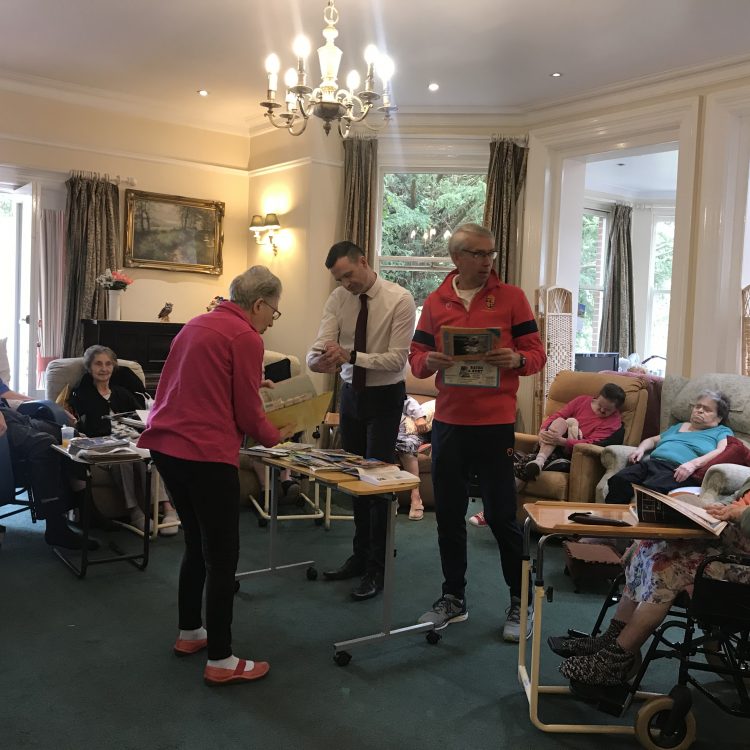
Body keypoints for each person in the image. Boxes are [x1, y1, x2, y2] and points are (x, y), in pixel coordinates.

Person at [138, 266, 295, 686]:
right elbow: (247, 412)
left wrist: (247, 385)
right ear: (259, 304)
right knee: (223, 556)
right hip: (205, 454)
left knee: (196, 542)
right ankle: (222, 659)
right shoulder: (246, 336)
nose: (270, 321)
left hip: (166, 446)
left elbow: (186, 383)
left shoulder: (196, 324)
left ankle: (191, 632)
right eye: (273, 313)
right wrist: (274, 435)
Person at [409, 222, 547, 642]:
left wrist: (517, 360)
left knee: (503, 517)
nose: (487, 262)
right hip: (450, 423)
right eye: (479, 254)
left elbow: (537, 353)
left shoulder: (512, 298)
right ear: (457, 258)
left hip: (495, 424)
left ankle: (519, 603)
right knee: (448, 515)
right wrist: (430, 361)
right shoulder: (436, 301)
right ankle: (453, 598)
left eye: (491, 254)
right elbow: (416, 358)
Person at [555, 477, 750, 686]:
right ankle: (614, 636)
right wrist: (720, 507)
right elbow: (737, 497)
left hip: (743, 560)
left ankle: (617, 657)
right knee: (651, 546)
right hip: (732, 542)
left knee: (668, 567)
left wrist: (740, 514)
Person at [307, 240, 417, 601]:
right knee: (353, 477)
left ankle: (378, 566)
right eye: (339, 279)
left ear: (364, 262)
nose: (346, 284)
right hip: (351, 395)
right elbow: (321, 344)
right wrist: (316, 361)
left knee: (377, 483)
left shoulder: (400, 299)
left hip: (386, 396)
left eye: (349, 275)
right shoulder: (338, 299)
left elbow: (397, 361)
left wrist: (350, 354)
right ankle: (359, 556)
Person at [469, 383, 626, 528]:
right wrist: (544, 430)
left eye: (607, 410)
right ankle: (538, 462)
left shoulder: (614, 423)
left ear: (616, 410)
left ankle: (491, 512)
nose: (601, 411)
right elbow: (557, 415)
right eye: (600, 406)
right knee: (560, 422)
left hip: (571, 456)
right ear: (596, 397)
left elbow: (591, 444)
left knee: (522, 460)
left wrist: (563, 441)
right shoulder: (581, 401)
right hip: (548, 444)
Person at [69, 345, 179, 536]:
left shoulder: (122, 392)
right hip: (108, 443)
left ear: (113, 367)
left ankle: (167, 508)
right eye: (98, 364)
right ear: (89, 367)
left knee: (153, 455)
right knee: (123, 460)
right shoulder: (82, 394)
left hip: (135, 437)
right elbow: (85, 426)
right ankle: (134, 511)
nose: (104, 369)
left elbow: (142, 417)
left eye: (108, 364)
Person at [0, 378, 96, 550]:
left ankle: (88, 510)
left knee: (71, 437)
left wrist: (52, 406)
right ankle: (56, 527)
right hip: (4, 423)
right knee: (44, 445)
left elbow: (5, 393)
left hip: (12, 416)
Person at [605, 390, 732, 503]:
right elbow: (653, 440)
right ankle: (611, 523)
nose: (699, 410)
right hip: (652, 463)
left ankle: (640, 527)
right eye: (697, 406)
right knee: (619, 480)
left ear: (719, 417)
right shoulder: (679, 426)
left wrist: (693, 464)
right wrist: (641, 449)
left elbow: (723, 450)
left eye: (707, 409)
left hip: (678, 471)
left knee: (651, 490)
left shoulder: (721, 431)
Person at [396, 395, 432, 521]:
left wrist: (419, 418)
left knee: (406, 447)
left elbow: (410, 403)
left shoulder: (400, 395)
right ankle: (390, 497)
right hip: (387, 433)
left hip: (410, 432)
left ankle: (415, 497)